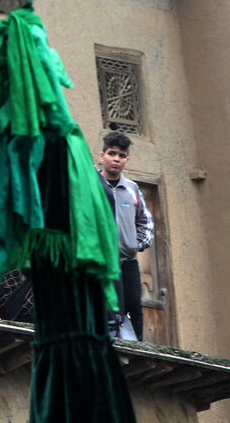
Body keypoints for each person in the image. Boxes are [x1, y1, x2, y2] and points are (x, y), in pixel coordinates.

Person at [97, 131, 153, 340]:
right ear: (102, 155)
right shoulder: (91, 185)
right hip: (100, 260)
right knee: (104, 305)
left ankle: (137, 347)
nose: (116, 159)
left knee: (133, 305)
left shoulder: (131, 188)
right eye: (112, 154)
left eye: (121, 155)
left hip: (127, 260)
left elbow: (145, 221)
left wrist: (135, 244)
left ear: (126, 160)